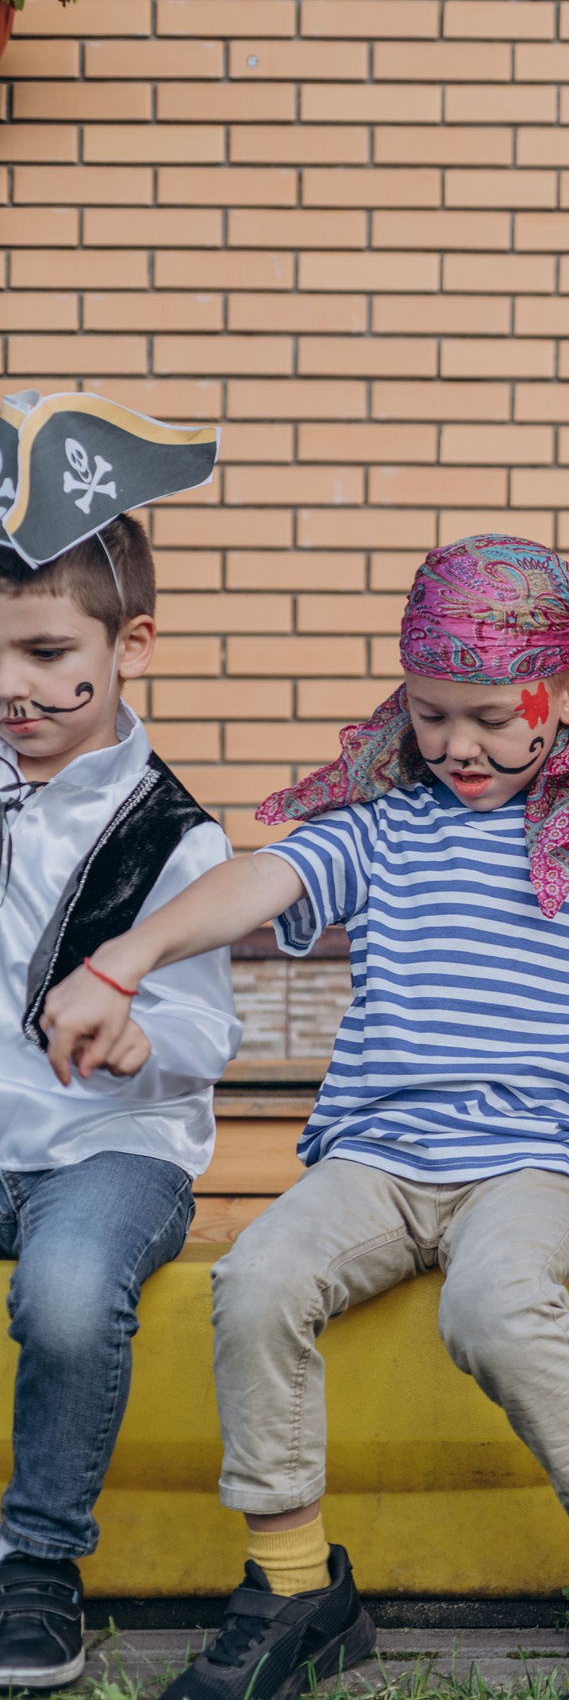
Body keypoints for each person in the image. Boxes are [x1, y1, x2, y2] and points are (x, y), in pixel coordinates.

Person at [40, 534, 569, 1700]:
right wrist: (123, 956)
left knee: (492, 1302)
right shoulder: (387, 824)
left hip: (536, 1164)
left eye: (484, 714)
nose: (453, 744)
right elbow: (260, 882)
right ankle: (293, 1582)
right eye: (428, 715)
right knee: (258, 1278)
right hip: (378, 1159)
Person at [0, 494, 237, 1687]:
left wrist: (150, 1039)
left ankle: (37, 1560)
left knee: (71, 1287)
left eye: (47, 653)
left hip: (111, 1148)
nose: (14, 685)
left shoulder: (175, 839)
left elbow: (210, 1031)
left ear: (127, 647)